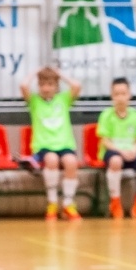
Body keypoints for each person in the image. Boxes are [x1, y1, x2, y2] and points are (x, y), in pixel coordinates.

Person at [22, 66, 82, 220]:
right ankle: (52, 202)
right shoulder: (34, 101)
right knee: (51, 160)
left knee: (71, 163)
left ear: (56, 86)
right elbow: (23, 86)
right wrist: (35, 72)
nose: (46, 88)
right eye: (42, 85)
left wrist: (60, 74)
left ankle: (68, 204)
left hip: (65, 144)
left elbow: (76, 86)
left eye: (50, 85)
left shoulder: (63, 100)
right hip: (44, 146)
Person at [96, 76, 136, 219]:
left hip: (132, 153)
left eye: (123, 93)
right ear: (112, 96)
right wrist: (120, 151)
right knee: (116, 161)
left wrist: (134, 150)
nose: (120, 97)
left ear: (129, 95)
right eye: (116, 94)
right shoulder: (106, 115)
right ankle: (115, 202)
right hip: (113, 152)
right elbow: (105, 141)